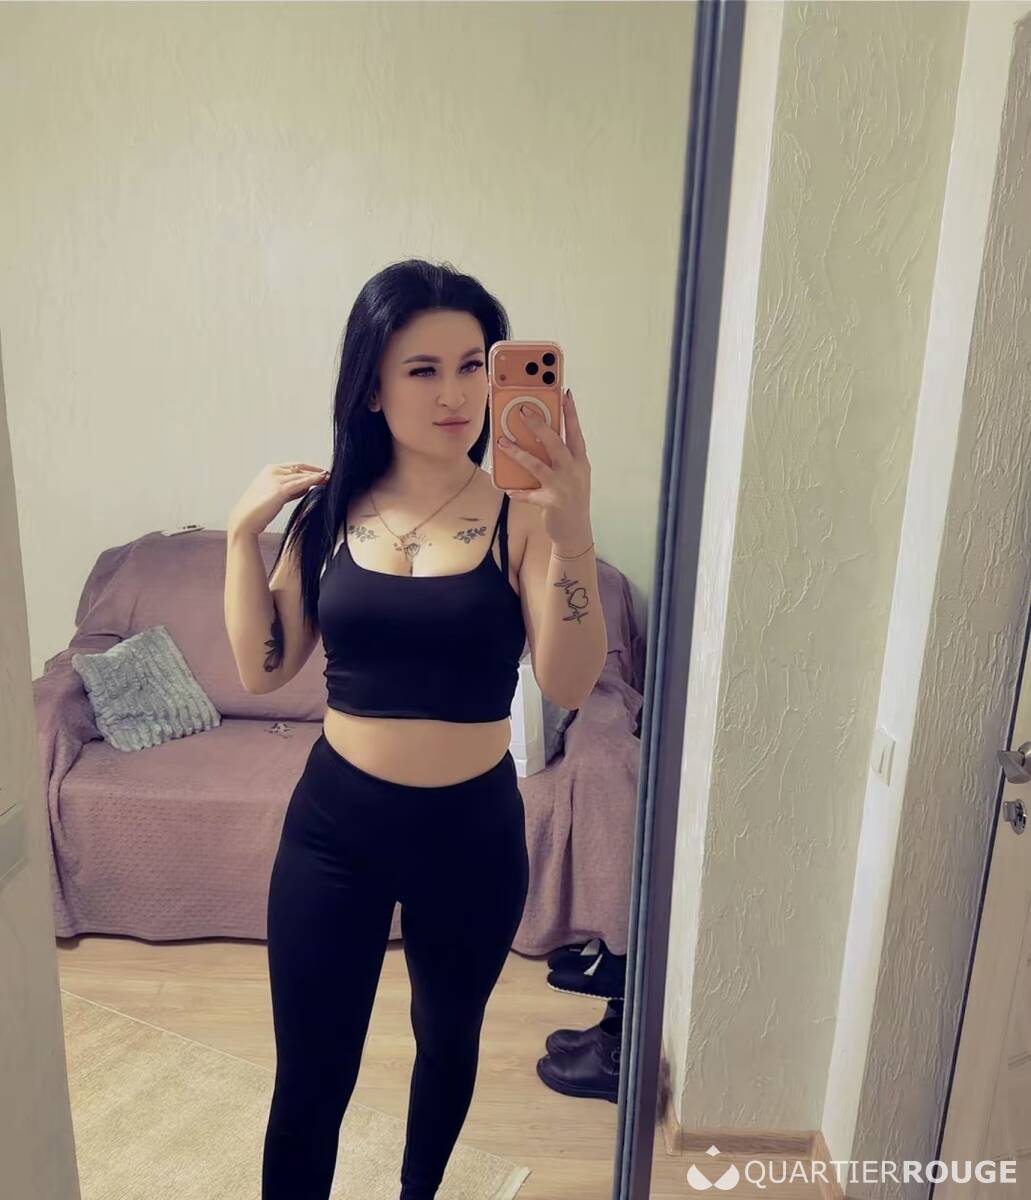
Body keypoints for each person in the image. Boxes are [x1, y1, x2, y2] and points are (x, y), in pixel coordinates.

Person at [224, 258, 607, 1200]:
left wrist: (573, 533)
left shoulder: (522, 517)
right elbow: (264, 666)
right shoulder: (326, 513)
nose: (456, 395)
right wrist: (240, 538)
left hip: (469, 835)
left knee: (446, 1041)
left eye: (473, 366)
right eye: (422, 369)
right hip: (333, 833)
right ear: (372, 387)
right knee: (311, 1076)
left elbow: (567, 679)